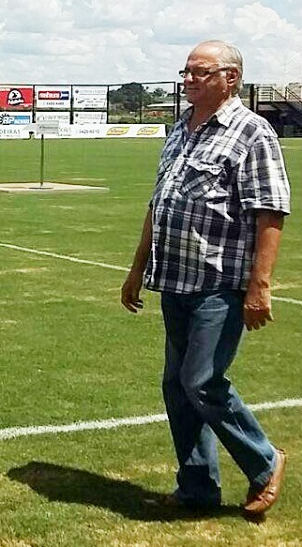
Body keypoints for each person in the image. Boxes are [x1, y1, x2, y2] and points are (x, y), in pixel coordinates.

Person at [122, 39, 291, 515]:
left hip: (219, 282)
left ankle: (264, 461)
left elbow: (270, 211)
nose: (188, 80)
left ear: (230, 78)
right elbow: (159, 202)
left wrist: (260, 286)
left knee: (201, 380)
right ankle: (197, 487)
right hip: (174, 279)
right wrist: (137, 268)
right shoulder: (181, 128)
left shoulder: (252, 133)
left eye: (200, 72)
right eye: (186, 72)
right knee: (177, 387)